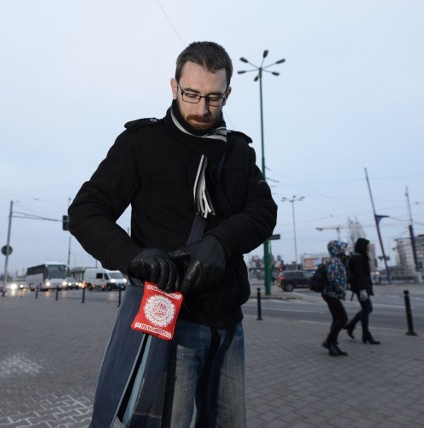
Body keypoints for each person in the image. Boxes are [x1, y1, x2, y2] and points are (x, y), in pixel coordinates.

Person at [68, 41, 277, 427]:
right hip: (169, 321)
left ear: (228, 93)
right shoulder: (141, 143)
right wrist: (132, 255)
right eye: (192, 94)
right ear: (173, 86)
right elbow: (86, 212)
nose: (202, 109)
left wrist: (220, 241)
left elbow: (264, 212)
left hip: (229, 324)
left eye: (214, 98)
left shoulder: (238, 151)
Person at [345, 238, 380, 344]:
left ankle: (352, 326)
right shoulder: (358, 258)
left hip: (361, 287)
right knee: (367, 308)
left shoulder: (359, 257)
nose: (368, 247)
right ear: (362, 246)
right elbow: (359, 275)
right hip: (361, 287)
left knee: (367, 309)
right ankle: (365, 333)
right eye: (367, 245)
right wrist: (362, 290)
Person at [321, 240, 349, 356]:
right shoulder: (334, 261)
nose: (344, 250)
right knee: (343, 319)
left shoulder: (336, 261)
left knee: (337, 319)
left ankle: (332, 343)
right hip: (331, 294)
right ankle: (329, 342)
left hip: (332, 294)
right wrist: (341, 290)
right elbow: (333, 279)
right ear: (336, 249)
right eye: (341, 248)